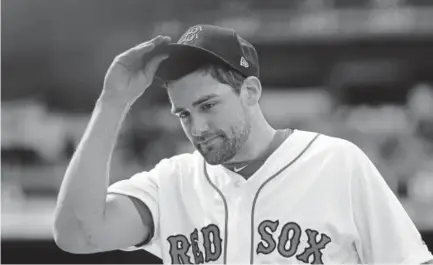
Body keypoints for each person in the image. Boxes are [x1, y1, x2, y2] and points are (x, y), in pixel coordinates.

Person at [53, 24, 433, 264]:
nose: (197, 127)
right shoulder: (171, 183)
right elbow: (77, 234)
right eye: (183, 114)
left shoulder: (336, 163)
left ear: (250, 91)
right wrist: (112, 103)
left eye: (208, 105)